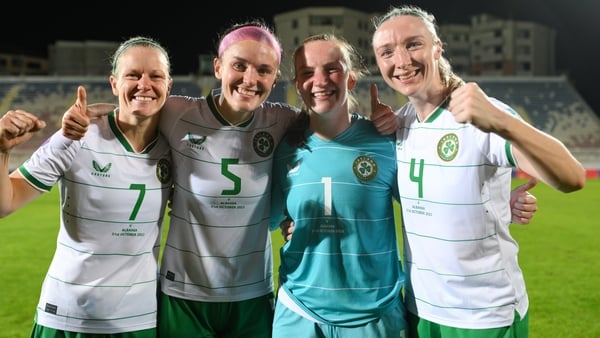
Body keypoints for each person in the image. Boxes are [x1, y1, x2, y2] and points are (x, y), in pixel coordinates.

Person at [61, 20, 398, 338]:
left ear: (275, 78)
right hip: (184, 292)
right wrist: (89, 114)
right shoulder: (178, 113)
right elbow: (136, 105)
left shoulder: (282, 120)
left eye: (263, 70)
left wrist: (380, 121)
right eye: (239, 66)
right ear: (218, 67)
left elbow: (330, 122)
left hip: (252, 290)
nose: (250, 79)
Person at [370, 5, 586, 338]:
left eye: (413, 44)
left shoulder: (482, 114)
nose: (401, 60)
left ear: (437, 48)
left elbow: (572, 177)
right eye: (387, 52)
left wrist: (502, 121)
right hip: (420, 310)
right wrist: (501, 204)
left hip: (484, 315)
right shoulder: (399, 126)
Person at [0, 36, 173, 337]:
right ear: (114, 83)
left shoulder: (178, 145)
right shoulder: (77, 135)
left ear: (169, 86)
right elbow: (6, 203)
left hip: (139, 320)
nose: (144, 84)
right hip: (67, 315)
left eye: (155, 75)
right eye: (132, 75)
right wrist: (2, 151)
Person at [270, 33, 407, 337]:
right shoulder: (284, 150)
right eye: (307, 72)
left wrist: (500, 200)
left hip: (375, 314)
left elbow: (429, 205)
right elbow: (261, 218)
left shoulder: (386, 143)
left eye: (331, 69)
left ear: (351, 78)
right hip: (299, 312)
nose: (320, 80)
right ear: (297, 86)